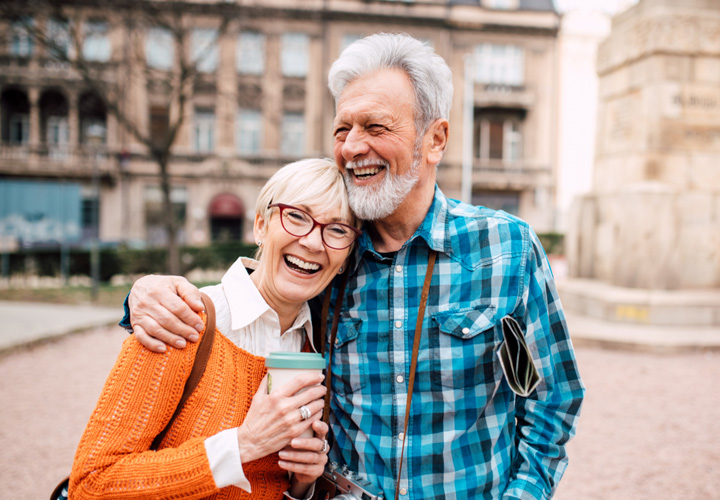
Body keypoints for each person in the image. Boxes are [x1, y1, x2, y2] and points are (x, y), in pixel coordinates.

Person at [125, 34, 585, 499]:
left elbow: (553, 396)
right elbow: (251, 295)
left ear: (435, 139)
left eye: (375, 127)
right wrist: (144, 295)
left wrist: (523, 494)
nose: (352, 147)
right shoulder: (326, 253)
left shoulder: (507, 247)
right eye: (342, 129)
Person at [71, 158, 361, 500]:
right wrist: (243, 445)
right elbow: (91, 485)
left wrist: (301, 485)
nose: (314, 242)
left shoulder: (314, 350)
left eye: (338, 230)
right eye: (296, 216)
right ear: (260, 226)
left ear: (346, 258)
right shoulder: (182, 320)